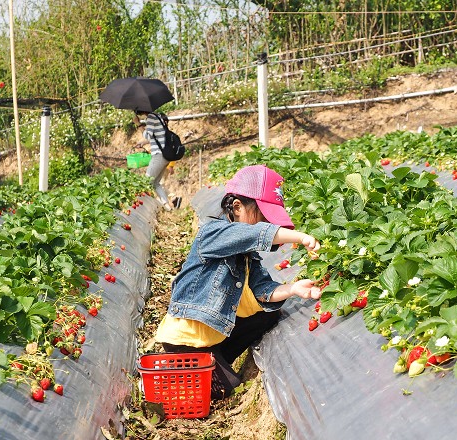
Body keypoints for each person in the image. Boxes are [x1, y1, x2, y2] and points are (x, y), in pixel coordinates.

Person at [154, 165, 322, 399]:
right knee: (227, 389)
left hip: (213, 337)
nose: (265, 223)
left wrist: (293, 288)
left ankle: (216, 360)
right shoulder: (212, 234)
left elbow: (262, 289)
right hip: (185, 342)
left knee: (268, 314)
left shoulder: (247, 256)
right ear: (236, 207)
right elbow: (251, 235)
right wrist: (301, 237)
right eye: (262, 217)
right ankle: (177, 371)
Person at [136, 110, 175, 211]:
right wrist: (142, 143)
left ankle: (144, 208)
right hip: (165, 155)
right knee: (156, 183)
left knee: (146, 181)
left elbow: (147, 135)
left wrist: (138, 124)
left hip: (159, 155)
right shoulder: (158, 117)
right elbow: (154, 137)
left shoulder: (151, 118)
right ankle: (167, 206)